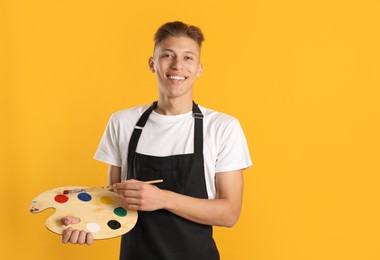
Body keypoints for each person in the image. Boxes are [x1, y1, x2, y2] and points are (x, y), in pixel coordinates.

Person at [61, 21, 252, 260]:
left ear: (199, 68)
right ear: (152, 64)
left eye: (188, 57)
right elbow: (115, 201)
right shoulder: (123, 122)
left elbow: (229, 213)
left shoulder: (223, 128)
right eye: (167, 55)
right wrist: (85, 220)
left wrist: (162, 198)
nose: (177, 65)